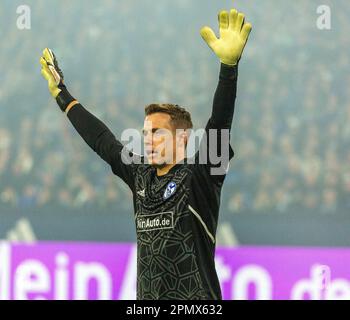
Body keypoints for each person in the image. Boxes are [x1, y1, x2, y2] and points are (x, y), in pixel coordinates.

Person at [40, 8, 252, 300]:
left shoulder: (201, 175)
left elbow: (219, 123)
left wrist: (229, 69)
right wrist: (62, 95)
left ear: (183, 138)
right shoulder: (139, 175)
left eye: (157, 133)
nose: (148, 141)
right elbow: (102, 140)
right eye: (145, 134)